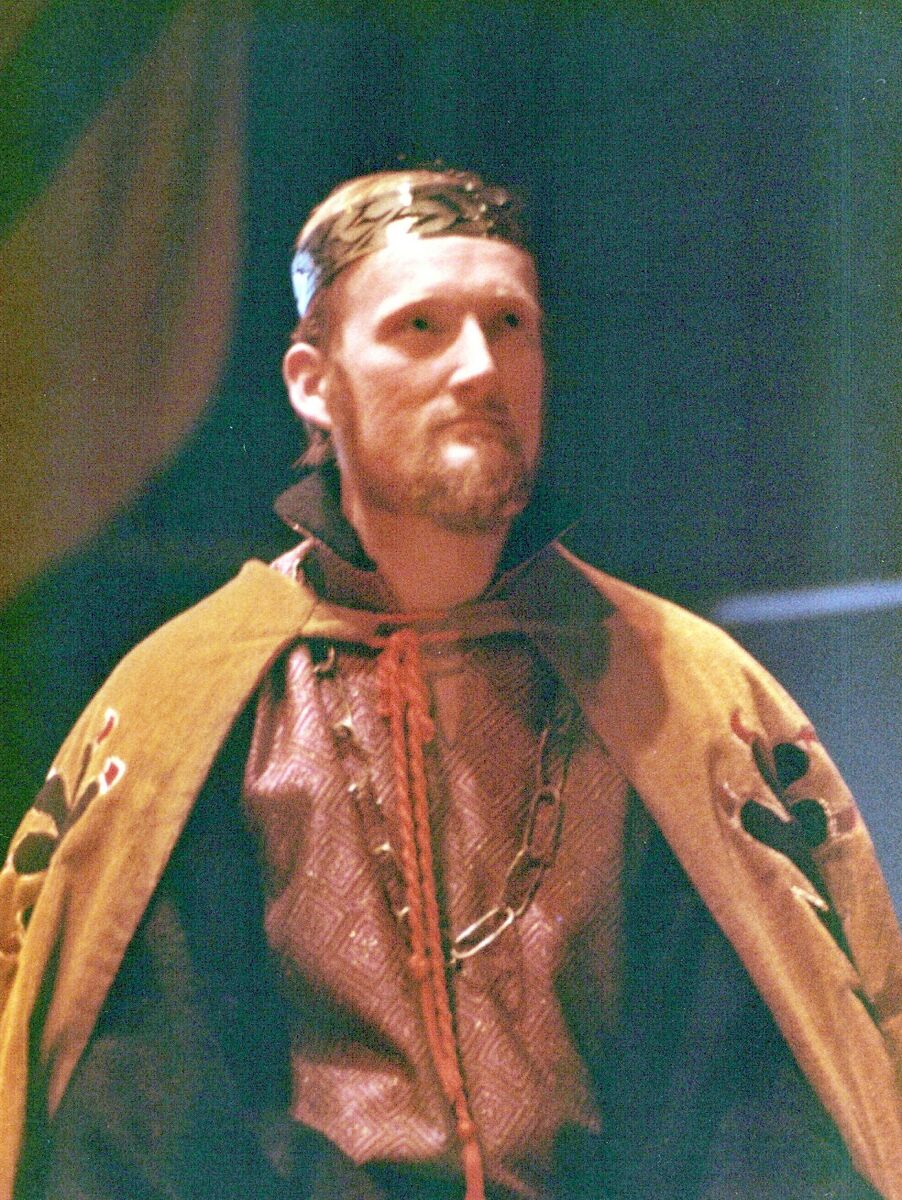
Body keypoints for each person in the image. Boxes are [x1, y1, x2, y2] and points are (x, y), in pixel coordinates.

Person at [2, 167, 902, 1200]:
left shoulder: (684, 691)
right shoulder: (190, 700)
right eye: (420, 326)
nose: (479, 366)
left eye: (509, 324)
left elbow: (756, 1099)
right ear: (312, 382)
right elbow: (146, 1107)